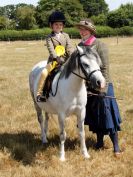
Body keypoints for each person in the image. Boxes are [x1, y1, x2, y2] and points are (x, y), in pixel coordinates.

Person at [75, 19, 122, 157]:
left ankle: (116, 147)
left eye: (85, 29)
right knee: (95, 116)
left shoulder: (100, 45)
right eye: (81, 29)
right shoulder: (80, 46)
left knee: (108, 115)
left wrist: (103, 89)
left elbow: (105, 68)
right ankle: (99, 142)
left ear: (91, 31)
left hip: (103, 86)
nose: (82, 31)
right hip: (88, 87)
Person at [37, 11, 73, 102]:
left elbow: (69, 48)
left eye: (60, 24)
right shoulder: (49, 37)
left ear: (63, 25)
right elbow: (51, 49)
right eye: (56, 24)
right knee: (44, 73)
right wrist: (56, 58)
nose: (58, 26)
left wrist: (72, 55)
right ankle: (41, 93)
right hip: (54, 61)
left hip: (66, 60)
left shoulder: (66, 36)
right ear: (51, 25)